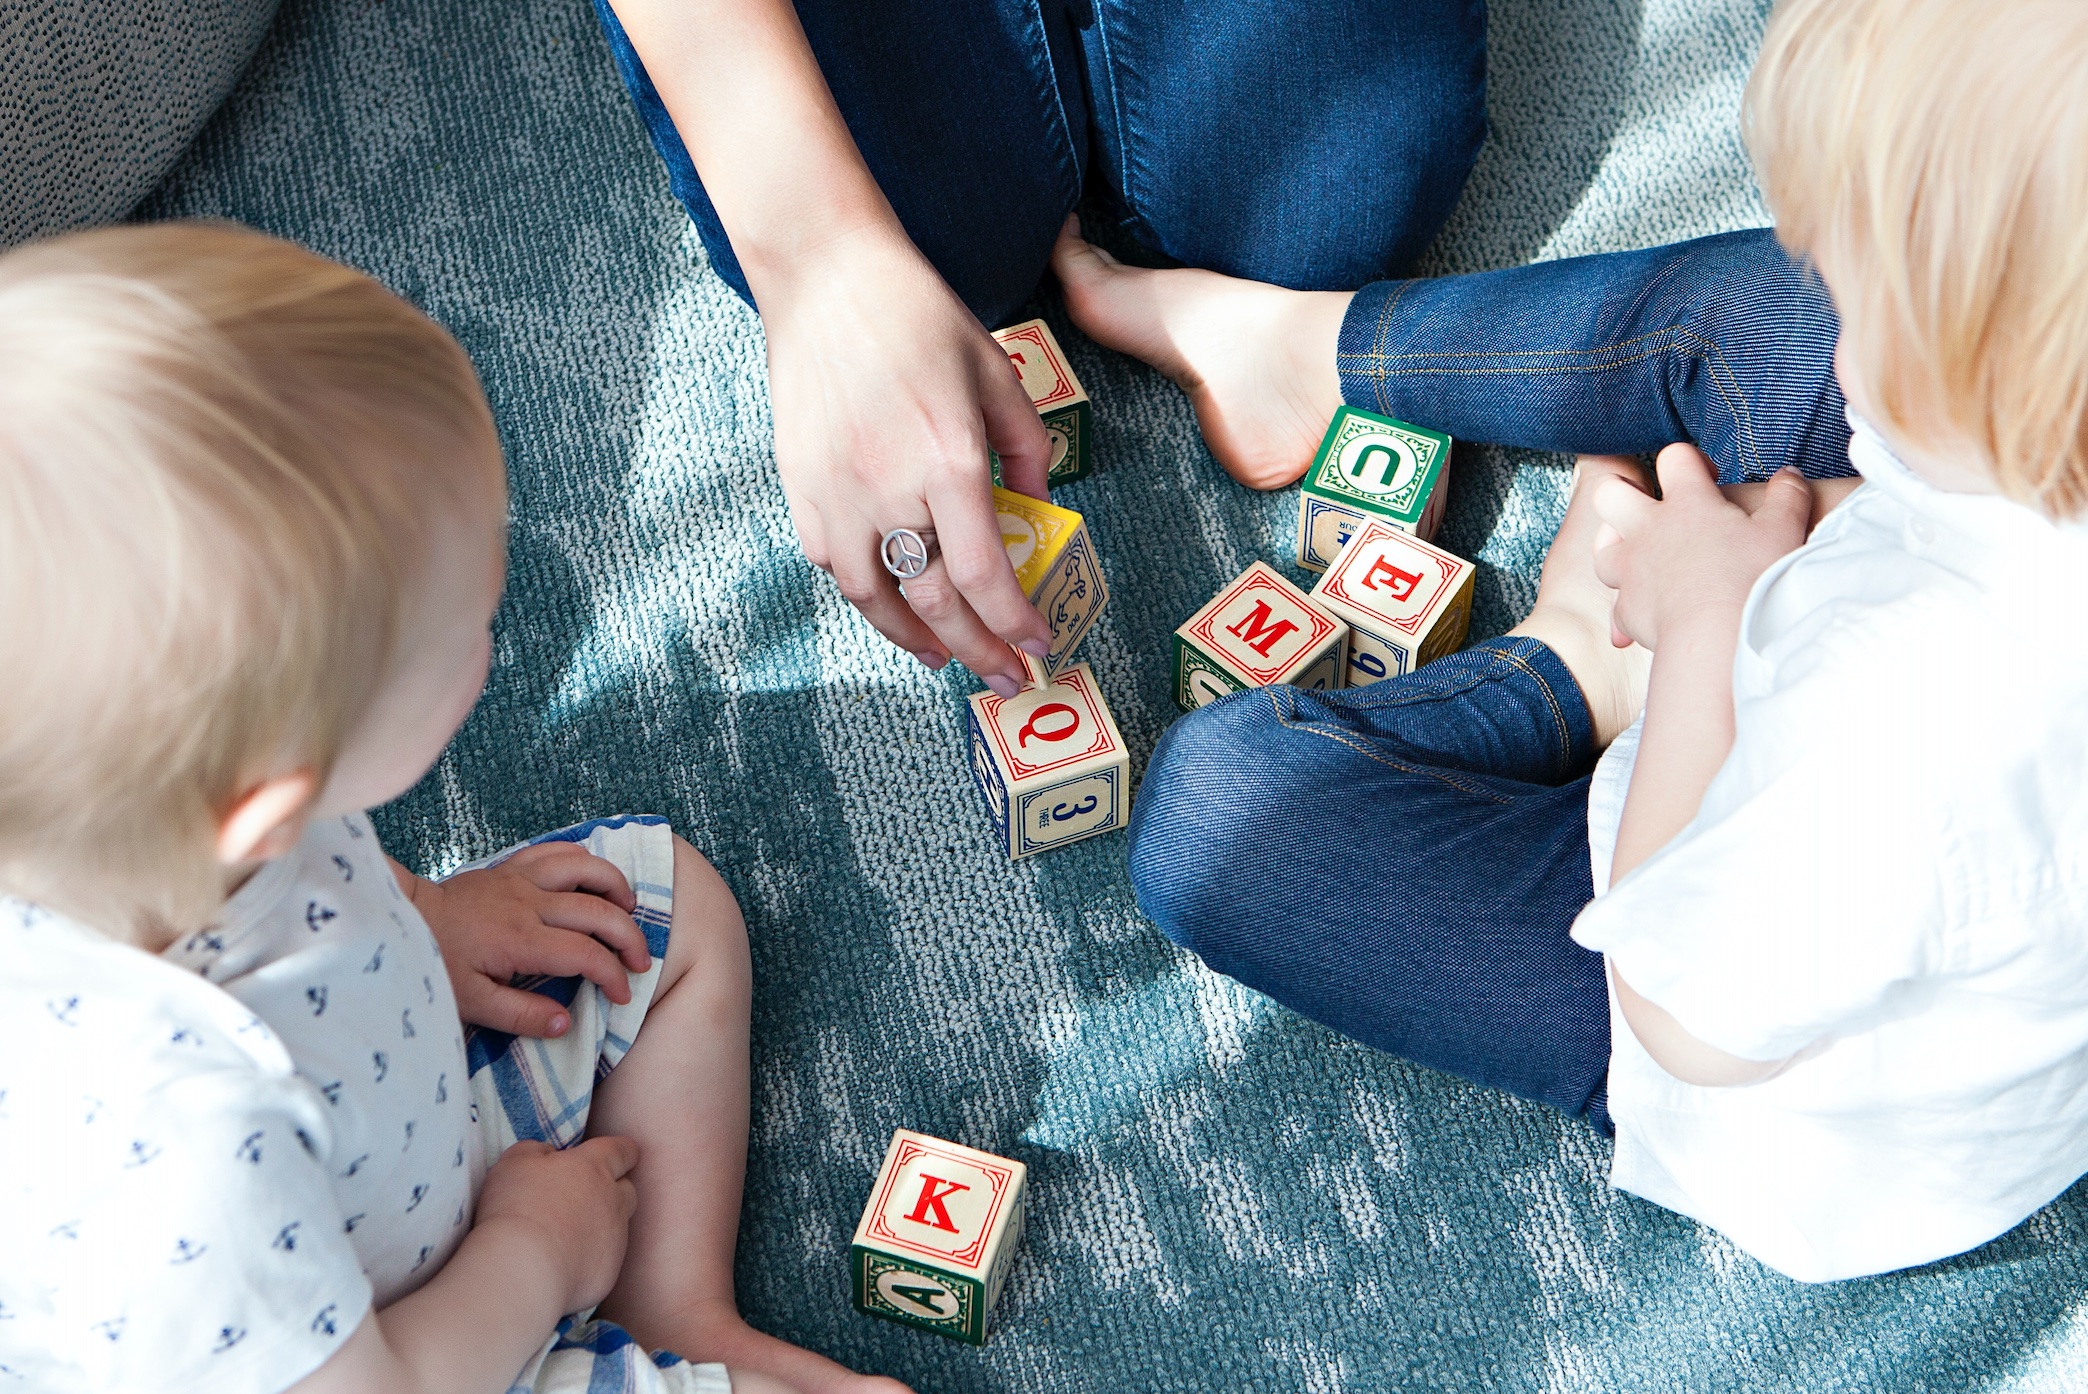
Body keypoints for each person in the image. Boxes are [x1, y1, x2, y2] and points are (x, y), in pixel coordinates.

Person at [1114, 0, 2088, 1283]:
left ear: (1991, 354)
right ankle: (1312, 351)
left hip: (1745, 1038)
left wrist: (1699, 630)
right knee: (1766, 313)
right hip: (1870, 728)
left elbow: (1689, 1014)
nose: (1832, 289)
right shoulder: (2035, 420)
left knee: (1218, 810)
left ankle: (1569, 667)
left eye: (1863, 285)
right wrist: (1811, 523)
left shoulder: (1906, 726)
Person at [0, 225, 907, 1394]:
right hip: (399, 1357)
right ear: (269, 807)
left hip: (397, 1154)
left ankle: (678, 1311)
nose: (503, 587)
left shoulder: (162, 803)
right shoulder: (179, 1164)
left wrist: (426, 913)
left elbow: (327, 857)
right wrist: (533, 1251)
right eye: (467, 624)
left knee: (661, 903)